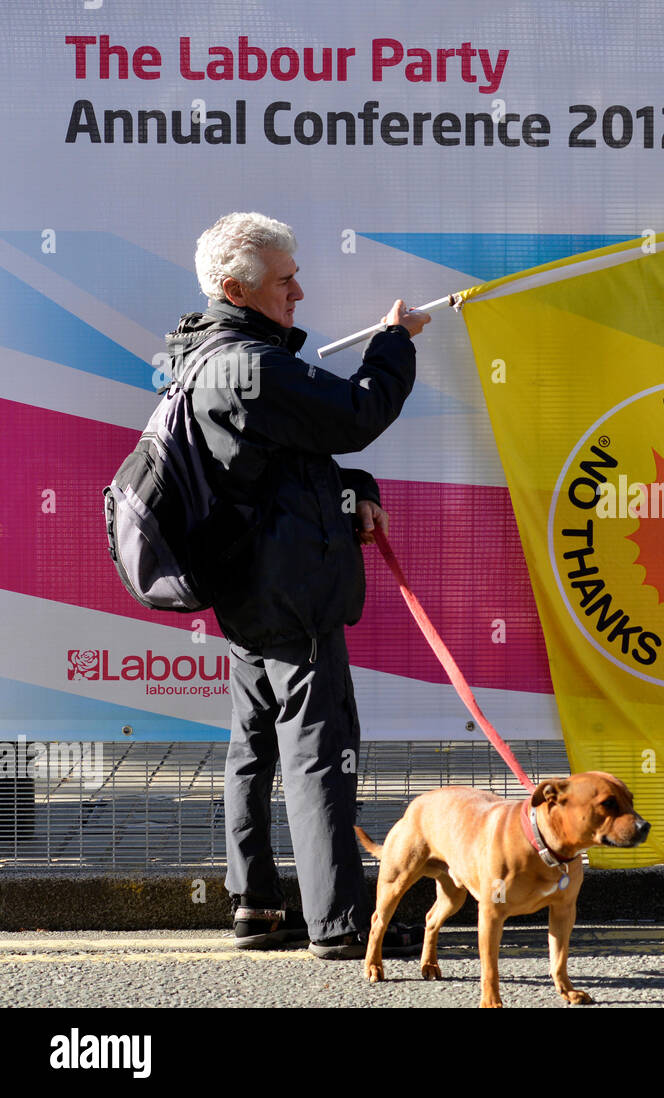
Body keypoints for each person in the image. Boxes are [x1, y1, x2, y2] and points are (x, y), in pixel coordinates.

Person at [169, 212, 428, 958]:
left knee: (251, 749)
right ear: (235, 289)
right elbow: (355, 413)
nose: (300, 292)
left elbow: (281, 465)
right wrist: (392, 345)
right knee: (321, 752)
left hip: (249, 588)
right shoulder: (253, 364)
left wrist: (356, 488)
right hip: (294, 589)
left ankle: (255, 905)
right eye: (285, 281)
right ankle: (343, 923)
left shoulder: (205, 358)